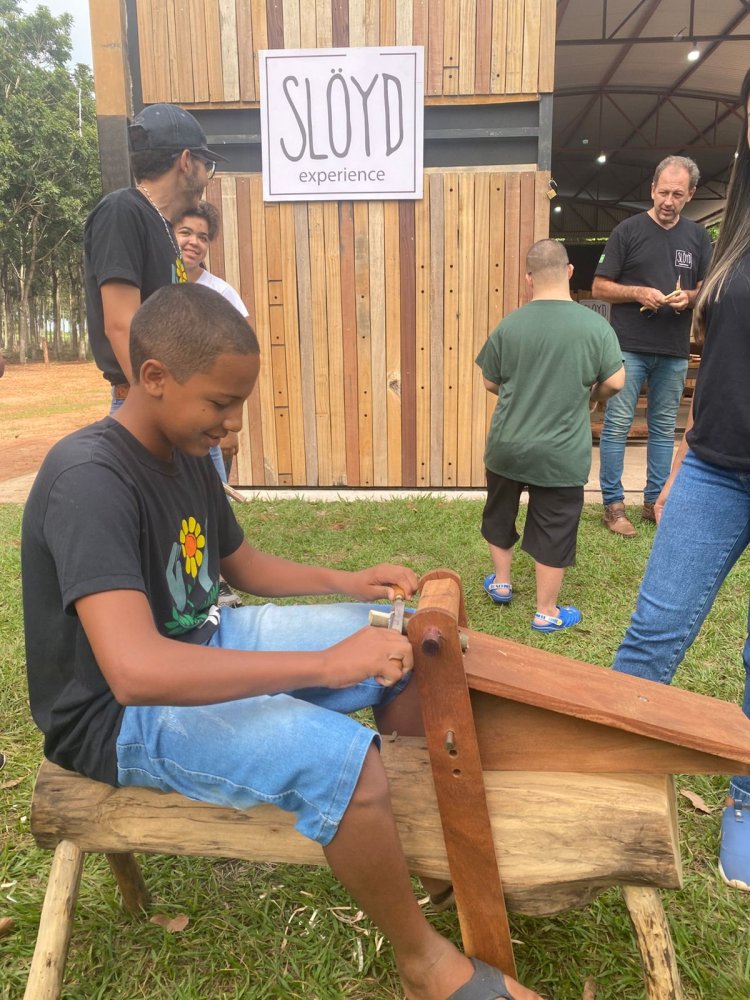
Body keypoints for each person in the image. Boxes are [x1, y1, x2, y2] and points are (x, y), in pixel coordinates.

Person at [22, 283, 541, 1000]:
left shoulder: (187, 453)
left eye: (240, 405)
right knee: (344, 766)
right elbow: (135, 671)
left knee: (405, 646)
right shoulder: (90, 479)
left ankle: (429, 858)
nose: (232, 425)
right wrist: (327, 663)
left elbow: (239, 565)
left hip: (206, 637)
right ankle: (422, 963)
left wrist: (346, 580)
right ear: (153, 378)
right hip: (112, 717)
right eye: (220, 404)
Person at [612, 69, 750, 891]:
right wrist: (691, 451)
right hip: (715, 468)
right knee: (651, 637)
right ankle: (607, 767)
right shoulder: (734, 220)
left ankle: (747, 800)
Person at [476, 240, 624, 633]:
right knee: (555, 524)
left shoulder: (510, 324)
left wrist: (517, 390)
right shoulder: (595, 326)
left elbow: (490, 379)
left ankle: (502, 584)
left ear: (528, 279)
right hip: (561, 451)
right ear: (570, 272)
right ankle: (546, 612)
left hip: (507, 446)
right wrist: (593, 397)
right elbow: (617, 380)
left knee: (500, 512)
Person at [592, 155, 712, 536]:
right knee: (617, 426)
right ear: (651, 189)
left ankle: (654, 501)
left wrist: (690, 297)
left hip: (674, 349)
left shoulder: (698, 237)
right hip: (628, 346)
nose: (668, 201)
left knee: (663, 429)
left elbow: (709, 286)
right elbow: (600, 287)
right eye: (663, 192)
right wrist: (637, 291)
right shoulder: (627, 231)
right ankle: (613, 505)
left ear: (690, 194)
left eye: (678, 194)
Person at [84, 102, 226, 410]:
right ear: (186, 162)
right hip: (150, 404)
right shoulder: (122, 211)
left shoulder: (161, 224)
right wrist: (158, 409)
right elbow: (122, 325)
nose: (205, 180)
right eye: (207, 167)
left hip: (173, 399)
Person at [175, 200, 247, 480]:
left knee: (215, 499)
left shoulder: (222, 293)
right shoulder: (157, 286)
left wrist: (227, 428)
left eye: (202, 237)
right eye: (185, 232)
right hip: (166, 414)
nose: (194, 242)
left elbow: (239, 363)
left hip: (208, 418)